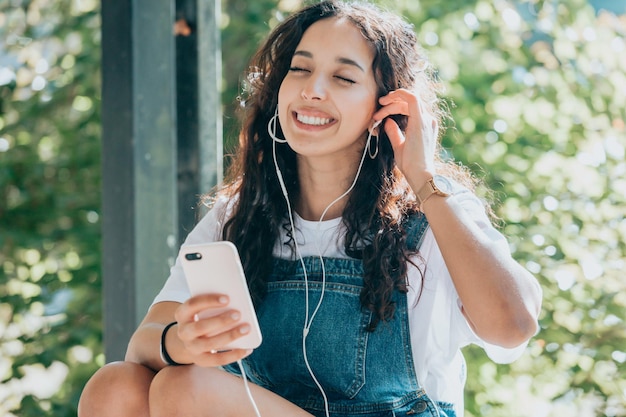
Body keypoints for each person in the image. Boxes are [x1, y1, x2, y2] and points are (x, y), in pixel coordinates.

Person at [78, 1, 542, 416]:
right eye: (300, 70)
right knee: (115, 388)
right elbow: (142, 346)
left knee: (186, 391)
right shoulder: (241, 215)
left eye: (343, 77)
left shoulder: (433, 211)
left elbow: (513, 327)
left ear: (387, 108)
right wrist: (181, 341)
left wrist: (423, 179)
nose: (313, 90)